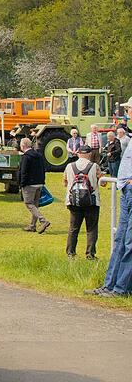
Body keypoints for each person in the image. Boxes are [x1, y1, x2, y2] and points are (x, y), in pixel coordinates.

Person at [86, 98, 132, 297]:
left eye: (129, 109)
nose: (127, 113)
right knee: (121, 239)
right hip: (126, 190)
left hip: (129, 189)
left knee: (129, 242)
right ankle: (110, 285)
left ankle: (121, 288)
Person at [63, 145, 101, 259]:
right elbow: (102, 182)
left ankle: (70, 253)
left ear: (78, 153)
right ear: (89, 154)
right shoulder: (95, 166)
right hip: (91, 201)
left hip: (74, 201)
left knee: (73, 228)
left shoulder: (70, 166)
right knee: (92, 228)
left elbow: (65, 182)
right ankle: (90, 254)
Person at [19, 138, 50, 233]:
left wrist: (21, 184)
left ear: (23, 146)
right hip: (39, 183)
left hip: (29, 184)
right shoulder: (39, 155)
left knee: (29, 204)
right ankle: (32, 225)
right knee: (35, 206)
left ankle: (43, 220)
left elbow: (23, 172)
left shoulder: (26, 157)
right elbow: (43, 169)